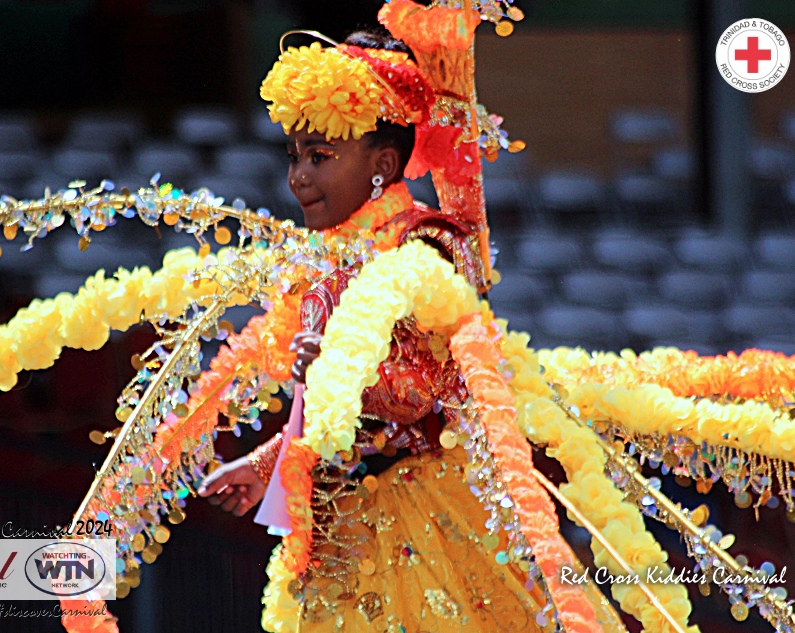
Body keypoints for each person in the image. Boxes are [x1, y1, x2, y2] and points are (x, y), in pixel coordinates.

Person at [197, 28, 627, 633]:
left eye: (320, 157)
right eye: (294, 156)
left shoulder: (423, 244)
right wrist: (269, 462)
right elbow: (341, 421)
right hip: (343, 529)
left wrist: (336, 375)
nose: (297, 177)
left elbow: (426, 393)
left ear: (382, 166)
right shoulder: (329, 257)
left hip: (426, 522)